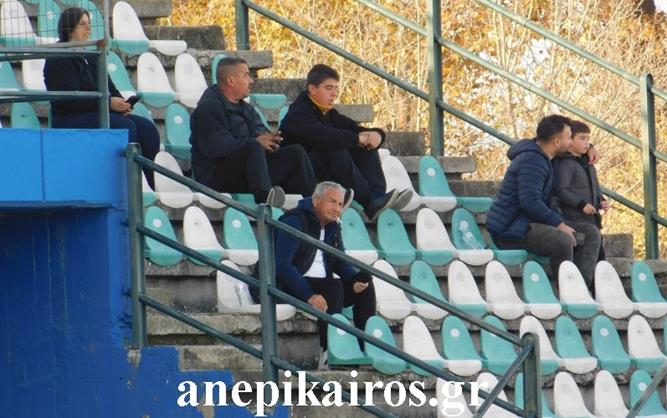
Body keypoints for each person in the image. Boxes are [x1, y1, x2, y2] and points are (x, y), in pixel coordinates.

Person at [43, 7, 160, 186]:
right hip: (70, 117)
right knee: (125, 127)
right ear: (70, 29)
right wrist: (107, 103)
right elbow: (70, 100)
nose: (88, 28)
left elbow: (109, 87)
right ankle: (125, 185)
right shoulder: (58, 58)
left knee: (147, 129)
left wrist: (122, 104)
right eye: (82, 24)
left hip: (97, 110)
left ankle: (147, 185)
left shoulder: (91, 57)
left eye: (89, 24)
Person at [280, 64, 412, 221]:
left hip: (321, 174)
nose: (334, 93)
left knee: (366, 147)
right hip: (298, 178)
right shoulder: (297, 113)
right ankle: (369, 202)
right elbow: (323, 136)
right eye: (328, 88)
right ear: (312, 89)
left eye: (336, 88)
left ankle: (377, 197)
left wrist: (377, 134)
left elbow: (356, 130)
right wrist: (357, 138)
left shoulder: (329, 113)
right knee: (336, 150)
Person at [486, 114, 602, 285]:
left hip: (529, 221)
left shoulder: (547, 154)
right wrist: (559, 224)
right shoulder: (532, 161)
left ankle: (581, 287)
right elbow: (529, 202)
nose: (571, 142)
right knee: (562, 239)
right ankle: (567, 290)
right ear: (557, 142)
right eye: (569, 138)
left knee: (590, 233)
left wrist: (590, 148)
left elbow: (574, 151)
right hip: (512, 228)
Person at [271, 181, 376, 369]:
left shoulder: (333, 227)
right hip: (289, 285)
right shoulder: (295, 221)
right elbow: (283, 266)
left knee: (365, 287)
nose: (337, 209)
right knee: (333, 286)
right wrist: (309, 295)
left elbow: (340, 262)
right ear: (316, 200)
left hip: (323, 286)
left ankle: (363, 350)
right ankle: (330, 352)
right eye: (332, 202)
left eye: (340, 204)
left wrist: (354, 280)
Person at [189, 57, 317, 206]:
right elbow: (216, 146)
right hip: (215, 177)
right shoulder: (208, 108)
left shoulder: (245, 107)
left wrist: (271, 140)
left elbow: (260, 131)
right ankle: (265, 198)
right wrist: (255, 142)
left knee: (296, 153)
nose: (251, 81)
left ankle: (314, 203)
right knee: (253, 146)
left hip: (249, 173)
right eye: (246, 75)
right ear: (231, 80)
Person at [553, 119, 609, 267]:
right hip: (574, 219)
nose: (587, 143)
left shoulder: (588, 164)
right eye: (582, 138)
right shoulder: (565, 164)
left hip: (592, 220)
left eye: (588, 139)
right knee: (584, 261)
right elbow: (561, 190)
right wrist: (581, 205)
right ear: (569, 140)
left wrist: (601, 200)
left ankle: (595, 282)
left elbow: (595, 186)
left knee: (600, 261)